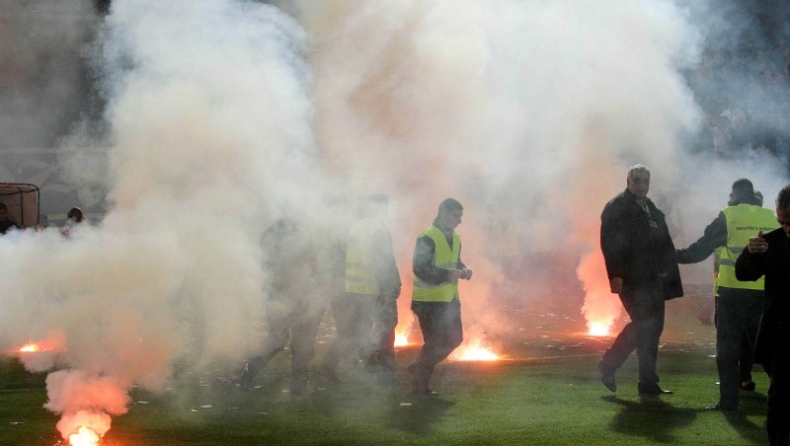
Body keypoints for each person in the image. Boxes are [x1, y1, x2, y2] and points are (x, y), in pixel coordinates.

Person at [675, 179, 777, 410]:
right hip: (764, 293)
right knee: (766, 347)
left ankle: (729, 402)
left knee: (728, 348)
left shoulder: (728, 216)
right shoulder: (771, 217)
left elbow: (699, 251)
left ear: (734, 195)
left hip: (733, 292)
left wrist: (671, 256)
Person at [597, 164, 683, 395]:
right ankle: (608, 364)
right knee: (644, 323)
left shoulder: (650, 207)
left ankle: (648, 382)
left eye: (645, 181)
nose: (641, 185)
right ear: (628, 181)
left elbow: (661, 239)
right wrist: (615, 274)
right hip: (632, 279)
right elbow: (610, 244)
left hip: (653, 279)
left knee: (653, 328)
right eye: (637, 180)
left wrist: (668, 270)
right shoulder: (617, 207)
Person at [318, 194, 401, 384]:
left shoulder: (354, 228)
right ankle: (385, 372)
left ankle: (328, 365)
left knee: (353, 332)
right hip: (374, 290)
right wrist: (388, 291)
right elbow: (385, 264)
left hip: (354, 289)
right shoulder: (379, 230)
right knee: (386, 329)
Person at [239, 216, 326, 396]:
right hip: (292, 293)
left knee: (282, 339)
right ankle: (296, 387)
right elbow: (304, 266)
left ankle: (249, 374)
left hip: (282, 293)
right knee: (297, 341)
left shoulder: (270, 234)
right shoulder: (295, 237)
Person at [736, 185, 790, 445]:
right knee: (778, 401)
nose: (786, 228)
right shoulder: (772, 243)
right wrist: (749, 252)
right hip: (781, 338)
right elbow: (744, 273)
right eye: (781, 222)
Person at [407, 198, 472, 396]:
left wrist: (464, 269)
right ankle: (420, 385)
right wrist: (447, 275)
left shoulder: (456, 238)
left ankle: (419, 366)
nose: (459, 221)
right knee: (434, 343)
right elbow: (419, 268)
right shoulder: (427, 237)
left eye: (460, 216)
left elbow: (454, 261)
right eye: (455, 216)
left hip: (449, 299)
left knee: (455, 339)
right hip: (428, 301)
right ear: (443, 214)